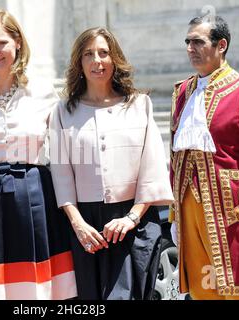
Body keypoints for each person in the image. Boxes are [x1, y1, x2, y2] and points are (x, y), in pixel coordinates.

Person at [0, 9, 76, 300]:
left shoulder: (42, 90)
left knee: (38, 288)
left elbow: (63, 155)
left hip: (36, 198)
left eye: (2, 43)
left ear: (18, 43)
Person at [49, 27, 174, 300]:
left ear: (115, 58)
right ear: (79, 63)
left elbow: (151, 169)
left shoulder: (140, 104)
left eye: (104, 53)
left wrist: (131, 218)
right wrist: (78, 224)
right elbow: (61, 174)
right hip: (84, 227)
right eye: (89, 54)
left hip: (132, 222)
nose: (97, 61)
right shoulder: (63, 111)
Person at [169, 16, 239, 300]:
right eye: (188, 42)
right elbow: (176, 155)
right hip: (188, 208)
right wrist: (174, 214)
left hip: (232, 212)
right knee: (203, 292)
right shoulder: (182, 92)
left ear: (221, 45)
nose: (191, 48)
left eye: (198, 41)